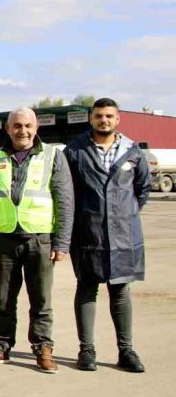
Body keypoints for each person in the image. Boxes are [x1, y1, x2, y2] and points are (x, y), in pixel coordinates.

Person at [0, 107, 74, 373]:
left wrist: (62, 242)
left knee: (41, 299)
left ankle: (43, 348)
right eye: (17, 126)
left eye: (28, 125)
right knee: (4, 299)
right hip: (4, 239)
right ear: (8, 129)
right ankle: (1, 345)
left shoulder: (53, 156)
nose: (23, 131)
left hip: (39, 239)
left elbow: (65, 200)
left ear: (36, 127)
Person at [63, 98, 149, 373]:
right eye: (99, 116)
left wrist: (124, 214)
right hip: (87, 233)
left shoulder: (132, 151)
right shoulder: (75, 150)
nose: (104, 120)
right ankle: (86, 350)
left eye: (109, 116)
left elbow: (142, 189)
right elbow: (66, 191)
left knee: (121, 292)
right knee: (87, 289)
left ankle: (126, 351)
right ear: (91, 118)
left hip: (123, 236)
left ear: (118, 119)